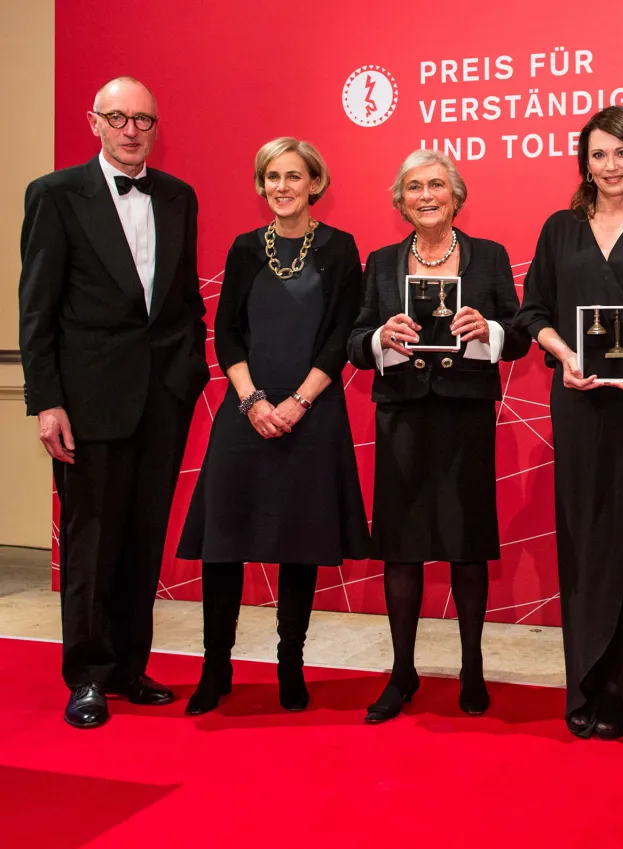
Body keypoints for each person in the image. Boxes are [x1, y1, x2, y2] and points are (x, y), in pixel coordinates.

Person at [17, 77, 209, 728]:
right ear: (94, 122)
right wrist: (47, 400)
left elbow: (184, 297)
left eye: (143, 120)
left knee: (142, 537)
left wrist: (187, 375)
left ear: (156, 128)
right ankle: (89, 675)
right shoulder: (54, 195)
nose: (132, 130)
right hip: (88, 400)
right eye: (119, 118)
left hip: (163, 397)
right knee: (91, 540)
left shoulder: (180, 197)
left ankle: (130, 666)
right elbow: (37, 307)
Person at [176, 138, 369, 714]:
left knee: (299, 546)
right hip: (247, 411)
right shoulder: (243, 249)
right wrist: (254, 401)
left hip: (311, 411)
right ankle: (216, 669)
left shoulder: (339, 249)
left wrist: (298, 403)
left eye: (294, 176)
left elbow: (340, 339)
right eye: (271, 177)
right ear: (261, 186)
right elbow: (227, 334)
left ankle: (291, 666)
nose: (282, 186)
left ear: (315, 183)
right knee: (223, 545)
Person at [516, 106, 623, 740]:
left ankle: (622, 694)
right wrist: (561, 355)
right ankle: (582, 687)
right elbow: (534, 310)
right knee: (583, 540)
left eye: (621, 153)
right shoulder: (560, 230)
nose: (609, 166)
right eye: (597, 154)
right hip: (579, 400)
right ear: (583, 163)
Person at [347, 150, 529, 723]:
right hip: (401, 417)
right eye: (413, 188)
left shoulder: (489, 257)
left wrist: (489, 330)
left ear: (456, 195)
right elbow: (352, 341)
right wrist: (381, 337)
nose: (426, 195)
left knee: (466, 546)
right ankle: (402, 673)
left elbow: (520, 335)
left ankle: (472, 669)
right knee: (401, 551)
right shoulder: (379, 262)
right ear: (399, 201)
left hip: (465, 416)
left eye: (436, 186)